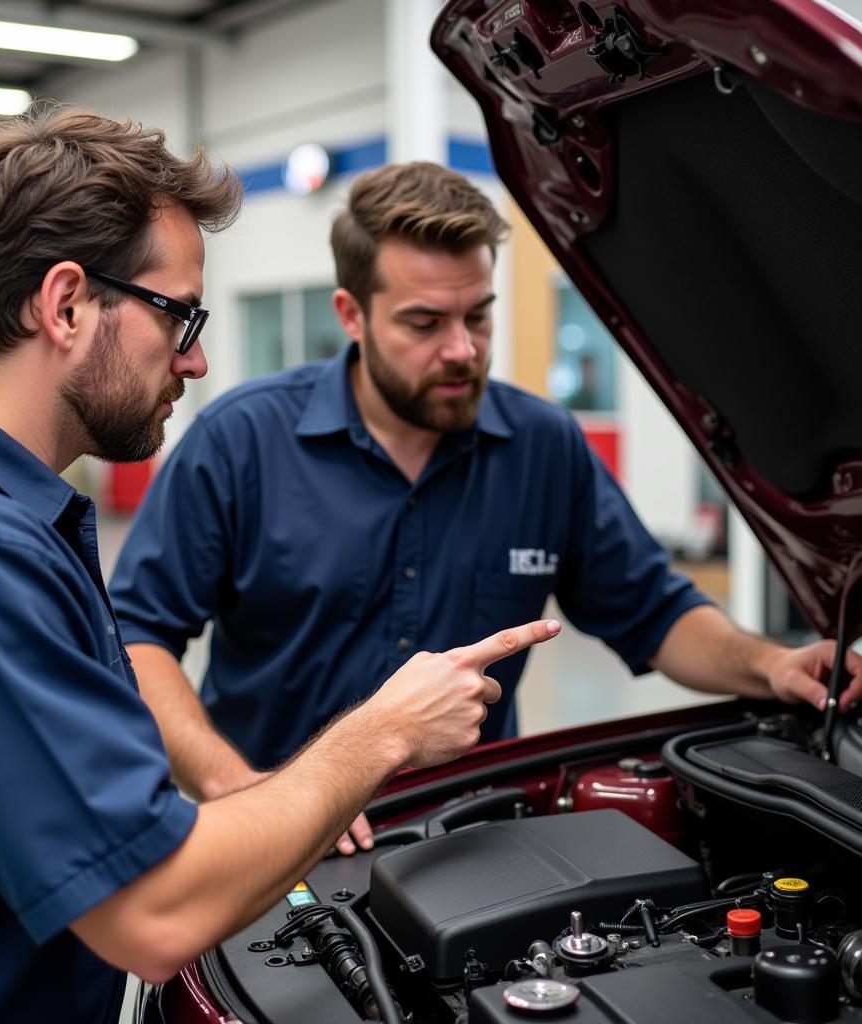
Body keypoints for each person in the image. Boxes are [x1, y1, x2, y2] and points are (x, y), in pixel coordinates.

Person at [0, 114, 561, 1024]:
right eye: (178, 314)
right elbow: (153, 906)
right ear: (64, 305)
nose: (197, 357)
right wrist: (384, 731)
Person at [109, 160, 862, 855]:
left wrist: (771, 664)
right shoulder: (241, 441)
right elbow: (138, 634)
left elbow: (655, 612)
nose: (463, 350)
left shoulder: (543, 446)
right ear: (351, 313)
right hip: (283, 835)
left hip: (476, 832)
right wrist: (239, 788)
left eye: (478, 316)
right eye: (425, 324)